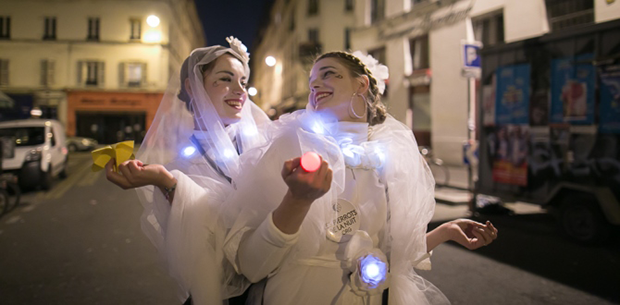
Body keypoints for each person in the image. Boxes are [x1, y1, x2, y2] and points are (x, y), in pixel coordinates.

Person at [222, 51, 498, 304]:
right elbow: (251, 266)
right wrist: (296, 200)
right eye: (312, 80)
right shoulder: (292, 146)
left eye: (328, 73)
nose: (315, 85)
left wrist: (445, 232)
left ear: (361, 85)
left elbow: (396, 257)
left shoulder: (391, 154)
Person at [105, 37, 269, 305]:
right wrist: (166, 182)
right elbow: (200, 242)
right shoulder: (182, 164)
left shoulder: (262, 142)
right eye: (225, 79)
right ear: (192, 87)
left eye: (242, 81)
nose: (239, 90)